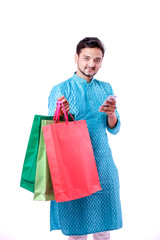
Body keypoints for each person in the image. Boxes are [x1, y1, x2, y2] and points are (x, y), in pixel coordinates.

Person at [48, 37, 122, 240]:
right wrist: (64, 116)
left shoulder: (105, 88)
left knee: (103, 230)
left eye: (97, 60)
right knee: (77, 231)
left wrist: (111, 114)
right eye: (87, 58)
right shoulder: (61, 90)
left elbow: (114, 129)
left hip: (103, 165)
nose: (91, 64)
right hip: (74, 168)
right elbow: (53, 134)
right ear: (76, 58)